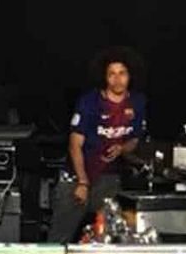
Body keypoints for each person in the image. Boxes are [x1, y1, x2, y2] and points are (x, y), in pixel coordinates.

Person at [48, 48, 146, 242]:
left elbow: (135, 139)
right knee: (60, 237)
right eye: (112, 74)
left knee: (107, 235)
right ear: (104, 77)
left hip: (109, 178)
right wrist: (82, 182)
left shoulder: (137, 102)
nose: (117, 79)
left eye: (122, 73)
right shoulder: (90, 102)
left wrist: (122, 148)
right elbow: (75, 144)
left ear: (130, 75)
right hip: (77, 176)